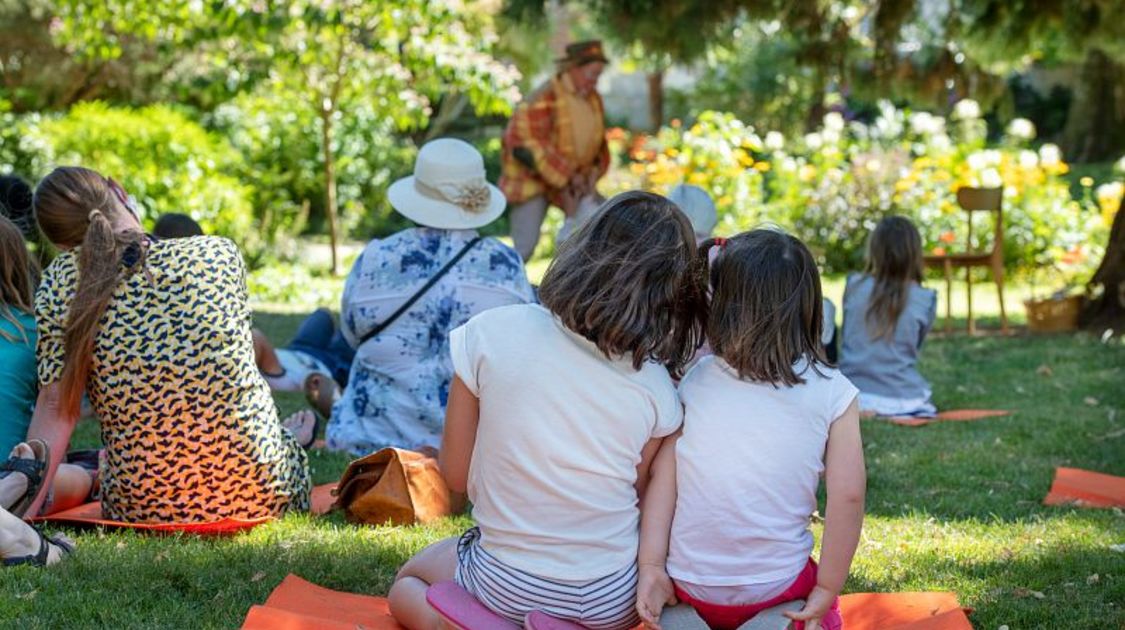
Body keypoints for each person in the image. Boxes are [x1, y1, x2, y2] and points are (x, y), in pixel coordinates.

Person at [388, 191, 706, 630]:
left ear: (582, 250)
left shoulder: (490, 333)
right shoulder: (656, 389)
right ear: (671, 299)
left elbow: (455, 477)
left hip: (502, 580)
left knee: (407, 582)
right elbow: (631, 495)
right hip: (610, 599)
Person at [11, 166, 312, 524]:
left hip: (141, 505)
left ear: (61, 245)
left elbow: (57, 407)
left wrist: (18, 515)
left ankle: (285, 438)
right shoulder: (218, 254)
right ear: (118, 190)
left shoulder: (61, 281)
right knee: (282, 440)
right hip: (261, 492)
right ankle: (286, 440)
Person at [636, 229, 865, 630]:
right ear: (810, 307)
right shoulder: (834, 393)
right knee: (824, 618)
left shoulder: (697, 379)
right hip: (777, 586)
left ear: (721, 306)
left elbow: (664, 480)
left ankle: (688, 619)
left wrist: (652, 565)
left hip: (689, 584)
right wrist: (827, 588)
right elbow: (847, 495)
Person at [327, 138, 534, 456]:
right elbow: (520, 352)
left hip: (373, 435)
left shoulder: (376, 257)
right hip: (470, 446)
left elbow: (352, 336)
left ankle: (328, 393)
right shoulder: (505, 265)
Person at [500, 40, 610, 261]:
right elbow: (525, 143)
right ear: (574, 69)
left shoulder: (593, 98)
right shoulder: (544, 95)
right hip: (534, 182)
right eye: (591, 74)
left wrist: (592, 174)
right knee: (524, 248)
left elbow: (600, 145)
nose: (595, 81)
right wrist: (571, 176)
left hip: (575, 183)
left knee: (605, 229)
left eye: (598, 76)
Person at [839, 216, 938, 417]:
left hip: (850, 394)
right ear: (915, 254)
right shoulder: (926, 298)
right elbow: (913, 346)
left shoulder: (853, 285)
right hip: (903, 399)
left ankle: (868, 410)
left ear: (874, 250)